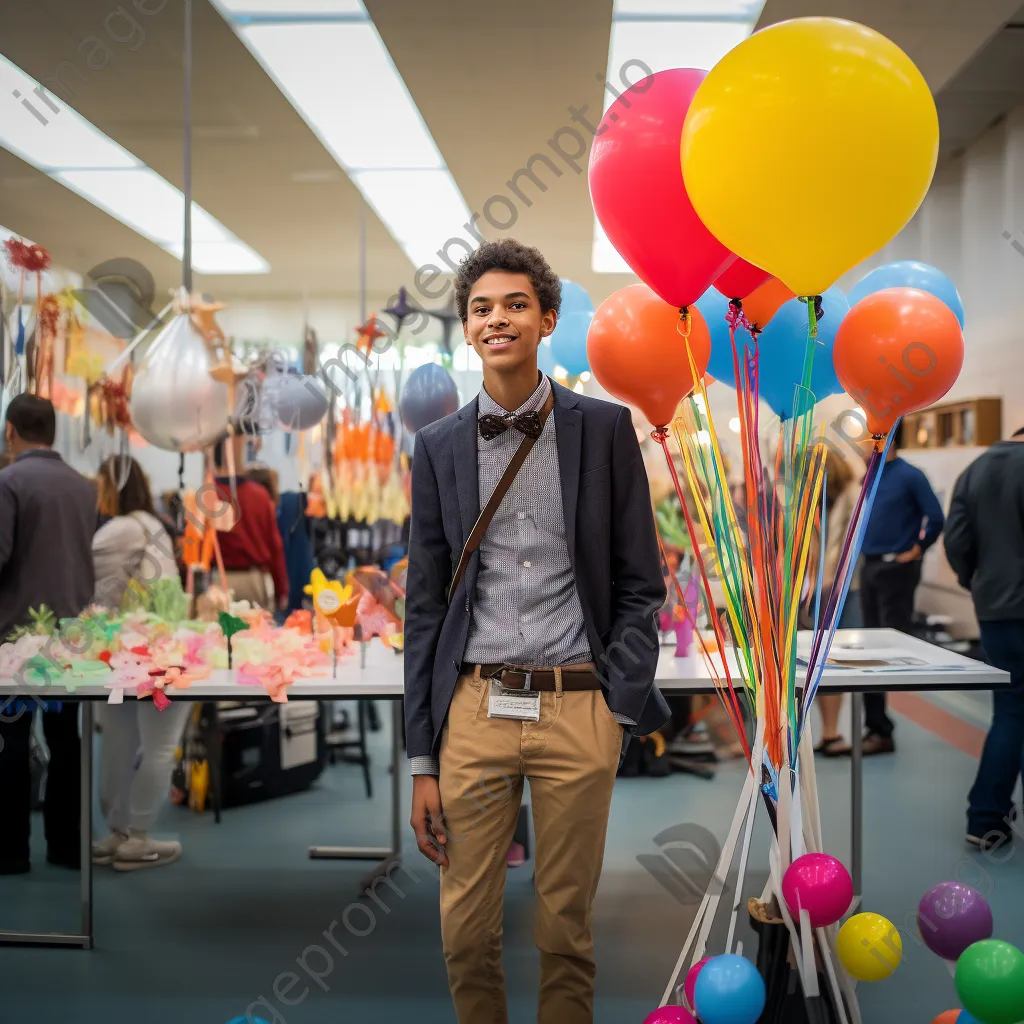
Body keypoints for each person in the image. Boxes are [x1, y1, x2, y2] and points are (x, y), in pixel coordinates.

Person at [404, 239, 669, 1024]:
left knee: (565, 928)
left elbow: (640, 584)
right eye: (481, 308)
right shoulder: (439, 446)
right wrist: (422, 756)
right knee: (464, 928)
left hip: (577, 708)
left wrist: (616, 707)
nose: (497, 318)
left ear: (547, 319)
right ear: (466, 328)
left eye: (515, 304)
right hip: (474, 711)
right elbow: (424, 605)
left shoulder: (605, 430)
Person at [0, 395, 98, 874]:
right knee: (67, 740)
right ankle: (66, 846)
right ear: (54, 433)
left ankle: (11, 851)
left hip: (14, 636)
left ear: (10, 431)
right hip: (72, 636)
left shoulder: (8, 482)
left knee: (11, 741)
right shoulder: (85, 488)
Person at [91, 456, 193, 870]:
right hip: (161, 654)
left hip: (118, 653)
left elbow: (91, 588)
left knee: (118, 742)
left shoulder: (115, 530)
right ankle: (138, 835)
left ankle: (119, 832)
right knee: (159, 745)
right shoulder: (152, 525)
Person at [944, 426, 1024, 851]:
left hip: (993, 610)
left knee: (1010, 710)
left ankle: (986, 818)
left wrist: (977, 581)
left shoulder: (974, 470)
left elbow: (955, 538)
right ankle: (988, 814)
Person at [858, 429, 944, 754]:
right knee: (868, 649)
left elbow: (936, 517)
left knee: (884, 650)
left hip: (896, 568)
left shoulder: (910, 475)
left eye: (871, 438)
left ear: (888, 440)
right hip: (871, 566)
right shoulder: (871, 474)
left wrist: (918, 548)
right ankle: (877, 726)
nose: (866, 444)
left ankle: (879, 727)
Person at [813, 448, 863, 757]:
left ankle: (832, 731)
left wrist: (833, 575)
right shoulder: (806, 497)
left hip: (842, 590)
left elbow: (851, 538)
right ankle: (824, 731)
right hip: (808, 591)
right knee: (812, 661)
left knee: (835, 660)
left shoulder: (850, 493)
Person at [211, 432, 288, 611]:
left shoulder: (209, 495)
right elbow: (275, 546)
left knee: (217, 635)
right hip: (252, 580)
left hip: (221, 579)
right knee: (256, 636)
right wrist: (281, 590)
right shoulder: (260, 496)